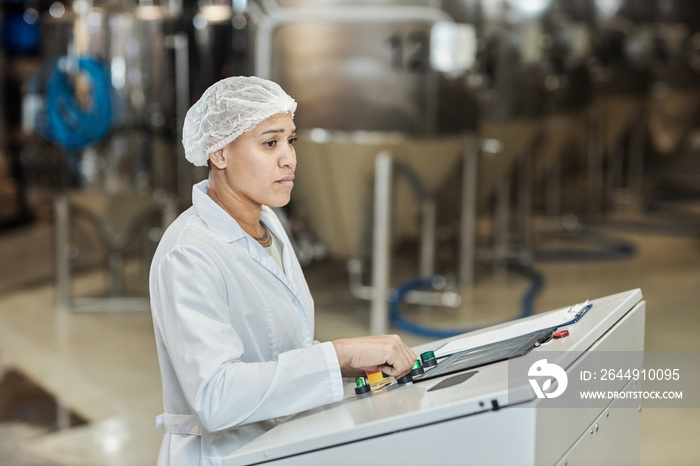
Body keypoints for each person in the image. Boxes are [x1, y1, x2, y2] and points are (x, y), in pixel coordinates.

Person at [149, 76, 416, 465]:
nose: (288, 158)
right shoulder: (188, 254)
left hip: (283, 443)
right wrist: (334, 353)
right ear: (219, 153)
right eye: (269, 143)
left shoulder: (269, 223)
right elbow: (215, 397)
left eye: (290, 141)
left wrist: (343, 363)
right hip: (223, 455)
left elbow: (278, 349)